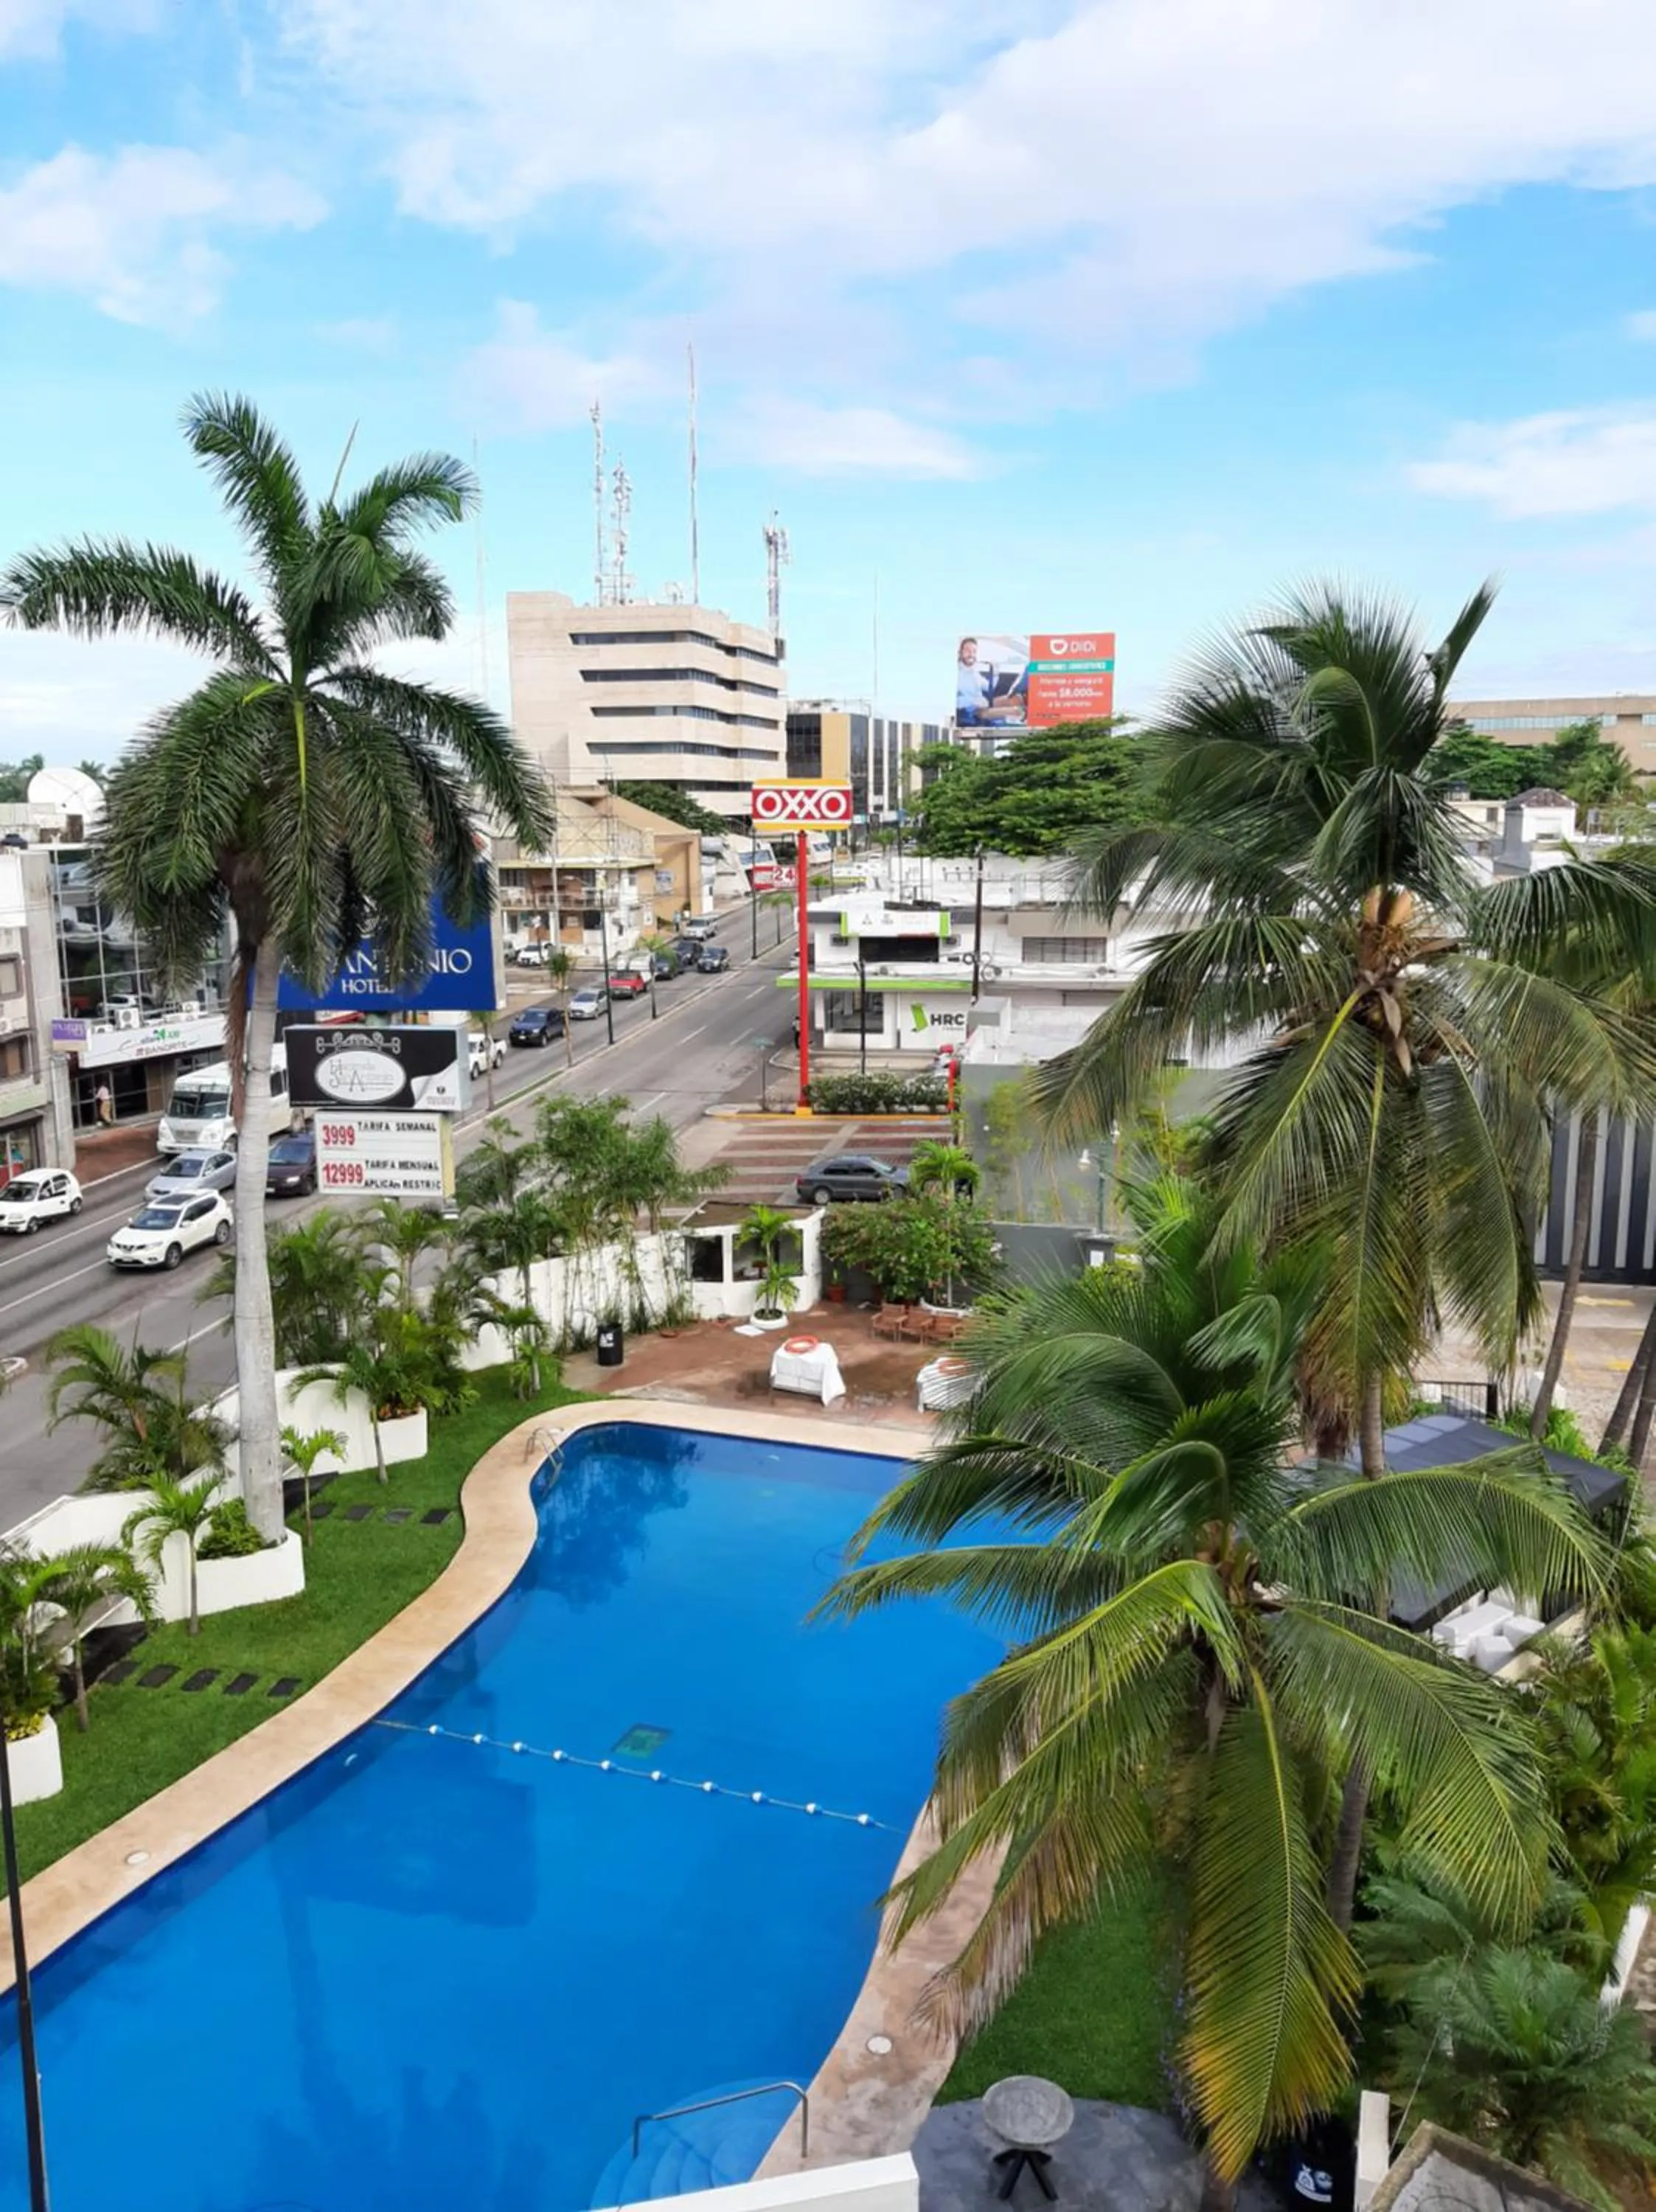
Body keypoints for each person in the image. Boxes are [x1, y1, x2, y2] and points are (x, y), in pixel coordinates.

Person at [956, 637, 989, 726]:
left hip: (982, 708)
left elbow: (987, 686)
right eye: (968, 651)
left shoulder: (974, 671)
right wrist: (974, 702)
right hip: (971, 714)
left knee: (1013, 702)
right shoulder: (956, 673)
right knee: (1015, 711)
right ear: (960, 653)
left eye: (974, 651)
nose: (971, 654)